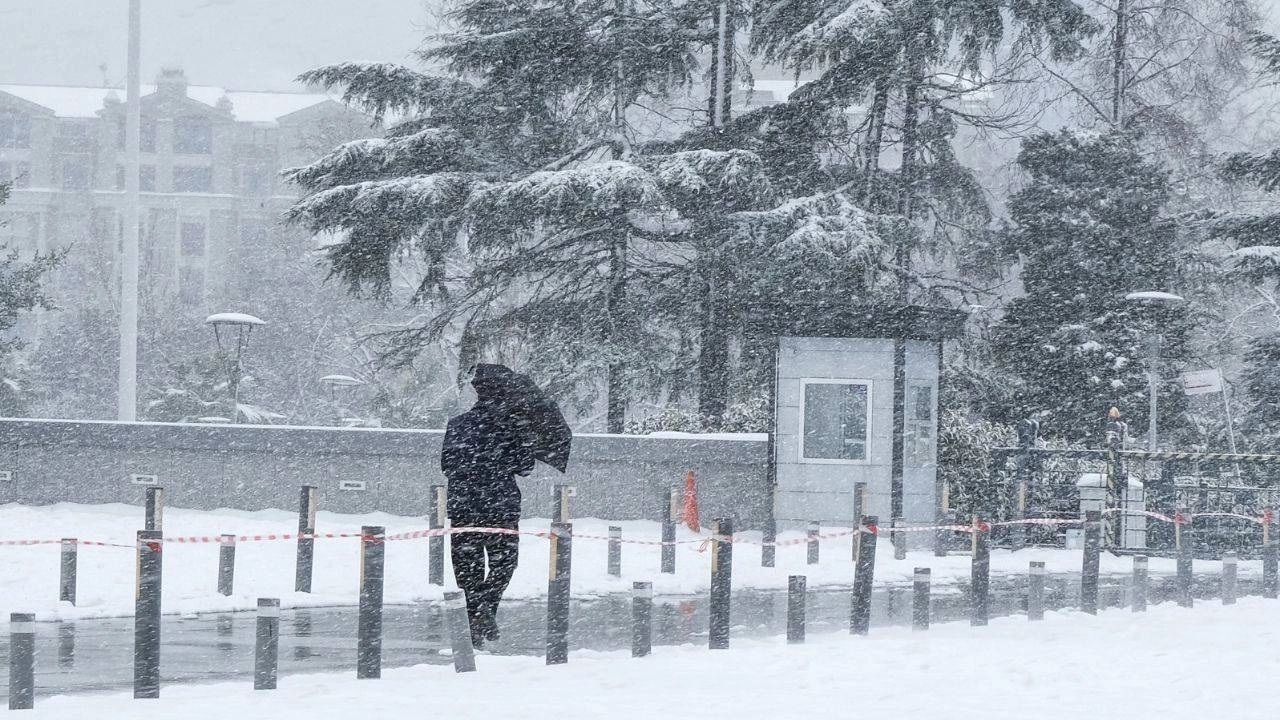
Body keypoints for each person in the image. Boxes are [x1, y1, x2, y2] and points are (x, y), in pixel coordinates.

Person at [440, 364, 535, 647]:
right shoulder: (514, 425)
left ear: (477, 391)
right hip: (500, 508)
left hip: (464, 507)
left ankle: (476, 617)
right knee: (504, 565)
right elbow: (526, 466)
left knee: (467, 570)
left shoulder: (458, 424)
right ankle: (485, 611)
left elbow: (447, 466)